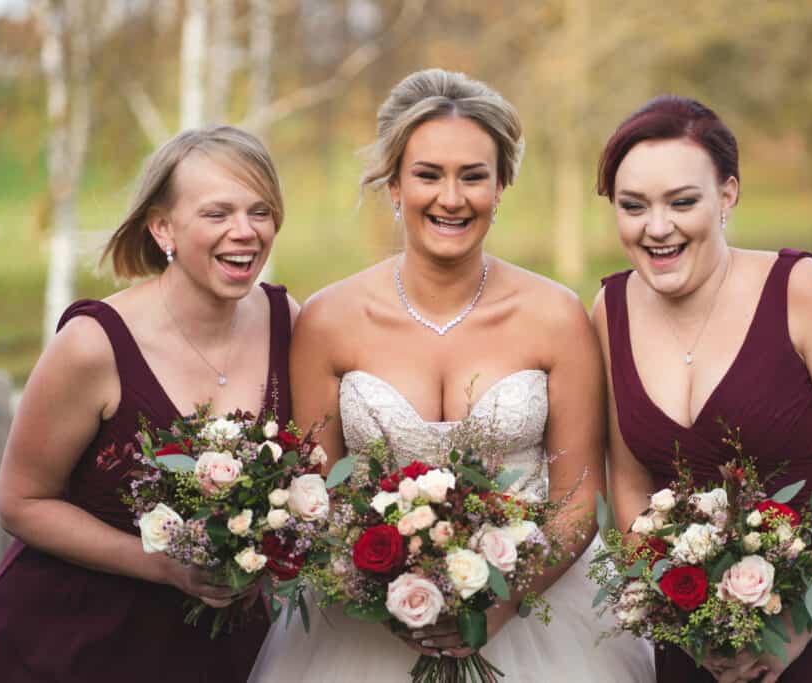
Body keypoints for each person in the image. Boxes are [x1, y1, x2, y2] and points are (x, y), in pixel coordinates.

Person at [249, 68, 654, 682]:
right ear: (393, 185)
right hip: (362, 636)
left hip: (538, 620)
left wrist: (505, 600)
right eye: (428, 174)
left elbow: (578, 501)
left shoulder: (555, 317)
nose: (452, 198)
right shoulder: (329, 320)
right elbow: (316, 500)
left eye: (473, 176)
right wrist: (383, 597)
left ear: (500, 186)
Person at [593, 95, 812, 683]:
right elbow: (627, 481)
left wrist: (798, 625)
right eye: (633, 206)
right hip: (699, 644)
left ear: (728, 195)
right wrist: (676, 615)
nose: (657, 227)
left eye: (683, 201)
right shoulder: (609, 308)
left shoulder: (803, 290)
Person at [0, 125, 299, 682]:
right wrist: (164, 565)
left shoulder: (286, 320)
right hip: (82, 644)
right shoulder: (93, 344)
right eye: (217, 214)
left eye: (260, 211)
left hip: (221, 652)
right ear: (162, 227)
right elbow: (21, 502)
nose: (245, 232)